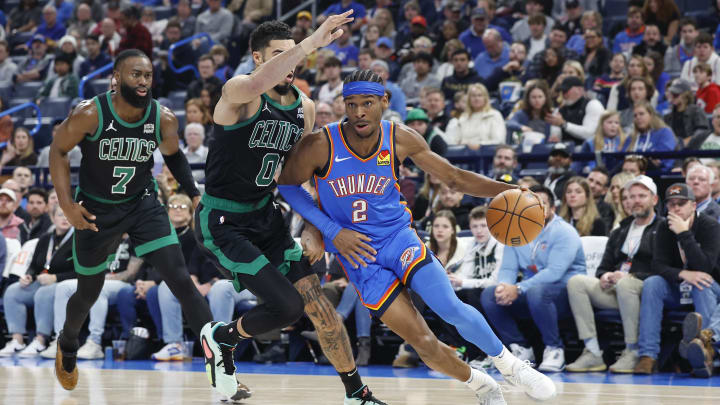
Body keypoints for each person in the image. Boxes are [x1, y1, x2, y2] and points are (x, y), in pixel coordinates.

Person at [277, 68, 557, 403]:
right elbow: (288, 186)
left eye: (367, 103)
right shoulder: (321, 143)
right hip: (358, 256)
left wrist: (510, 188)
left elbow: (453, 178)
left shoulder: (400, 137)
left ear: (384, 101)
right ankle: (481, 385)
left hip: (399, 239)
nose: (359, 112)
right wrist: (331, 231)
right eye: (350, 104)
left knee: (449, 307)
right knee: (423, 343)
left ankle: (511, 367)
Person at [195, 15, 387, 404]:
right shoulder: (239, 92)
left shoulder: (306, 109)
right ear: (256, 57)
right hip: (223, 221)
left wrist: (314, 226)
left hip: (268, 216)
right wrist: (312, 41)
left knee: (315, 301)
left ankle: (356, 393)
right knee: (286, 307)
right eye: (278, 55)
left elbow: (297, 179)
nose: (290, 62)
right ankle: (220, 338)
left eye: (291, 55)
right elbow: (256, 82)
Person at [46, 49, 237, 398]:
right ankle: (68, 340)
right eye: (136, 74)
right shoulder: (91, 113)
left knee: (180, 278)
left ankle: (219, 362)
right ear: (116, 78)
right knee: (87, 292)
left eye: (148, 75)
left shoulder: (162, 117)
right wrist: (67, 205)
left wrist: (194, 195)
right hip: (96, 211)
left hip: (142, 204)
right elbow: (57, 151)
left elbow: (174, 156)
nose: (143, 81)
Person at [481, 185, 585, 372]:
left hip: (566, 292)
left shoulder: (564, 232)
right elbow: (508, 268)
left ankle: (554, 348)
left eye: (542, 204)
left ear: (553, 208)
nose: (534, 208)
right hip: (532, 292)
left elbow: (554, 272)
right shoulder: (515, 230)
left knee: (537, 292)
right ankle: (520, 348)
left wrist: (518, 289)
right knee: (490, 295)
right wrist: (504, 286)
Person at [565, 175, 662, 373]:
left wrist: (632, 276)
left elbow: (663, 267)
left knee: (626, 284)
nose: (635, 200)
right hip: (617, 290)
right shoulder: (620, 230)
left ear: (654, 199)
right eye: (631, 196)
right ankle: (592, 351)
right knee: (576, 282)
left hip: (646, 290)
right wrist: (605, 275)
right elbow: (604, 266)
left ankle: (632, 351)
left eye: (642, 196)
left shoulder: (663, 227)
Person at [634, 183, 720, 374]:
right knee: (652, 283)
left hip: (710, 288)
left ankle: (706, 351)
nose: (675, 208)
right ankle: (648, 355)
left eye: (681, 203)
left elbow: (705, 266)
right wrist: (682, 274)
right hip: (679, 287)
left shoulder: (710, 226)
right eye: (671, 204)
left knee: (701, 282)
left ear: (693, 205)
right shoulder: (664, 227)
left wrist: (684, 234)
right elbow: (657, 266)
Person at [0, 204, 73, 357]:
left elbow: (83, 272)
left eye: (68, 215)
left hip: (66, 283)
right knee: (13, 292)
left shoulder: (80, 239)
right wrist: (29, 276)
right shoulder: (46, 238)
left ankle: (40, 340)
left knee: (43, 293)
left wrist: (55, 278)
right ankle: (17, 340)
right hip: (43, 281)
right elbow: (34, 265)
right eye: (60, 215)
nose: (65, 219)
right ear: (52, 218)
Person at [546, 76, 604, 145]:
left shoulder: (593, 104)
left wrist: (564, 124)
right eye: (562, 91)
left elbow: (589, 134)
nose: (564, 94)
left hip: (588, 151)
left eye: (566, 91)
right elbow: (556, 135)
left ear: (580, 90)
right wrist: (554, 138)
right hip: (565, 151)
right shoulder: (559, 110)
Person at [444, 83, 506, 148]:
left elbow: (499, 141)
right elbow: (454, 141)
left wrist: (478, 145)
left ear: (485, 98)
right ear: (469, 99)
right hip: (463, 155)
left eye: (480, 95)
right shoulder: (463, 117)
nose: (476, 98)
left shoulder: (494, 115)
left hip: (487, 154)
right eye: (473, 96)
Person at [629, 101, 677, 172]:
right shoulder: (632, 137)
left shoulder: (664, 132)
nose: (638, 117)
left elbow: (660, 158)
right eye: (635, 115)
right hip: (631, 173)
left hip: (658, 172)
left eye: (641, 114)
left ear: (651, 115)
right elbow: (624, 157)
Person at [664, 79, 709, 147]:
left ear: (686, 95)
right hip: (674, 150)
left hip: (693, 150)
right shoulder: (668, 116)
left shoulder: (696, 111)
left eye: (676, 94)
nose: (672, 97)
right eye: (672, 94)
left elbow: (702, 132)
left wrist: (684, 142)